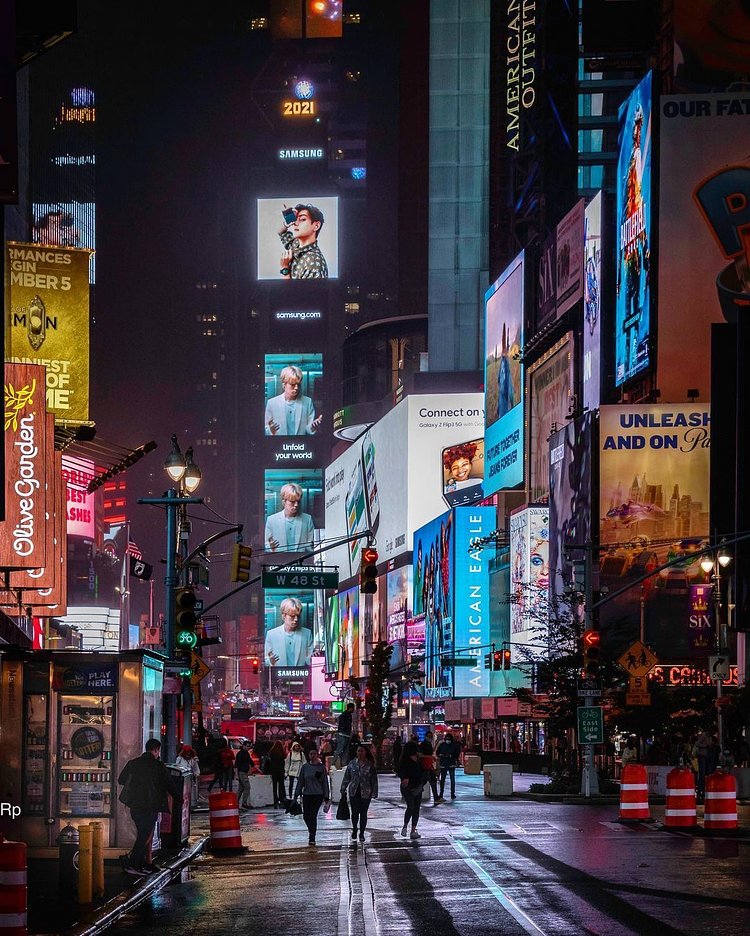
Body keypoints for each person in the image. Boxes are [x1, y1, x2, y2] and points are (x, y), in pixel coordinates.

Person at [118, 738, 177, 875]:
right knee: (145, 835)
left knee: (144, 834)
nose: (158, 754)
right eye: (158, 751)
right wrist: (179, 798)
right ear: (156, 750)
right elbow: (169, 784)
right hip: (150, 806)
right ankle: (132, 863)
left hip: (135, 806)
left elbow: (121, 780)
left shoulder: (133, 763)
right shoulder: (158, 766)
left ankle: (141, 863)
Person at [265, 367, 322, 437]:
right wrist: (271, 430)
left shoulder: (307, 402)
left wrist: (313, 426)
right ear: (284, 385)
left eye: (298, 384)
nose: (296, 388)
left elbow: (308, 430)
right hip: (279, 444)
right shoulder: (272, 403)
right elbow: (266, 429)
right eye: (292, 384)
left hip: (300, 445)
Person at [278, 203, 328, 279]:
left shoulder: (314, 264)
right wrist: (288, 220)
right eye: (295, 219)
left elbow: (290, 291)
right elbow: (281, 232)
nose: (295, 223)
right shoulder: (296, 243)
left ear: (316, 226)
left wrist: (285, 269)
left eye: (302, 219)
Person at [294, 748, 330, 846]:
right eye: (311, 753)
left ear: (317, 755)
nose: (312, 755)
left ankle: (312, 836)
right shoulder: (305, 768)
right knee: (306, 816)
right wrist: (296, 794)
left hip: (318, 795)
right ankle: (311, 830)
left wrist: (326, 797)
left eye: (314, 753)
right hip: (307, 794)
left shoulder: (321, 768)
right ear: (308, 755)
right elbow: (301, 781)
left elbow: (325, 783)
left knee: (313, 815)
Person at [342, 745, 379, 843]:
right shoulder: (352, 764)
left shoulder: (370, 765)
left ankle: (362, 832)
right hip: (354, 792)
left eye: (362, 751)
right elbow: (347, 777)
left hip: (366, 792)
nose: (360, 753)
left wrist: (374, 792)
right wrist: (343, 788)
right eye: (358, 751)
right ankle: (355, 828)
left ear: (365, 752)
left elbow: (374, 780)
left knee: (363, 813)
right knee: (354, 812)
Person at [264, 483, 316, 551]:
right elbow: (266, 545)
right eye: (292, 501)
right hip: (279, 560)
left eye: (298, 501)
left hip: (302, 560)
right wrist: (270, 548)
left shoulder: (307, 519)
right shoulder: (271, 520)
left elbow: (311, 547)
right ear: (283, 502)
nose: (296, 505)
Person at [264, 596, 315, 666]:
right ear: (283, 616)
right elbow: (265, 661)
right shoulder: (272, 635)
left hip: (301, 675)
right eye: (292, 616)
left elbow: (310, 661)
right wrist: (270, 661)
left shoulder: (307, 634)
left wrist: (315, 657)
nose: (296, 619)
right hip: (278, 675)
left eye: (298, 616)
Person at [398, 741, 428, 840]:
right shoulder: (406, 760)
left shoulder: (417, 759)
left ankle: (412, 829)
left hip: (416, 785)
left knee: (415, 808)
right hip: (409, 786)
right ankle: (406, 826)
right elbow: (401, 772)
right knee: (412, 806)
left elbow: (422, 772)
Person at [418, 732, 442, 804]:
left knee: (431, 781)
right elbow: (420, 755)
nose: (430, 738)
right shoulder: (424, 744)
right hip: (425, 766)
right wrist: (430, 757)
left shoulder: (428, 744)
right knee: (426, 781)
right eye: (429, 736)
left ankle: (436, 797)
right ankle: (435, 797)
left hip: (428, 765)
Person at [436, 732, 460, 800]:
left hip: (450, 764)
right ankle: (441, 793)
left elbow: (456, 754)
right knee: (443, 779)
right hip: (444, 764)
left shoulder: (453, 746)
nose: (448, 740)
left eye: (449, 739)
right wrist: (441, 755)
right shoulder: (443, 745)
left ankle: (452, 793)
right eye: (447, 739)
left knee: (451, 779)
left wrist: (451, 756)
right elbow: (437, 752)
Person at [334, 702, 356, 768]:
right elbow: (344, 724)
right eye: (353, 708)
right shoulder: (345, 715)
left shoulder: (346, 715)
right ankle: (334, 763)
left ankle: (342, 765)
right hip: (343, 734)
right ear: (351, 708)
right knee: (340, 750)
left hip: (345, 734)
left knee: (343, 751)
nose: (354, 710)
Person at [693, 729, 712, 800]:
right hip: (702, 756)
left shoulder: (710, 737)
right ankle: (700, 791)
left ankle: (703, 791)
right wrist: (705, 745)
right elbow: (697, 743)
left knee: (706, 774)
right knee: (702, 774)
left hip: (707, 757)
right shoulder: (704, 735)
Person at [266, 741, 287, 807]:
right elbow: (283, 763)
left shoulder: (271, 753)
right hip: (280, 771)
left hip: (274, 771)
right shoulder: (282, 753)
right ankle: (282, 800)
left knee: (274, 787)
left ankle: (275, 802)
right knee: (281, 787)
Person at [235, 740, 253, 809]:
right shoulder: (240, 754)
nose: (249, 748)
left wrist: (258, 770)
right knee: (247, 787)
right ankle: (244, 803)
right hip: (242, 773)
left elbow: (251, 762)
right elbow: (236, 765)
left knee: (241, 788)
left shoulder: (246, 753)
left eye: (249, 746)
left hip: (243, 772)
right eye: (248, 746)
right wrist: (236, 775)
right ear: (244, 746)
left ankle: (236, 803)